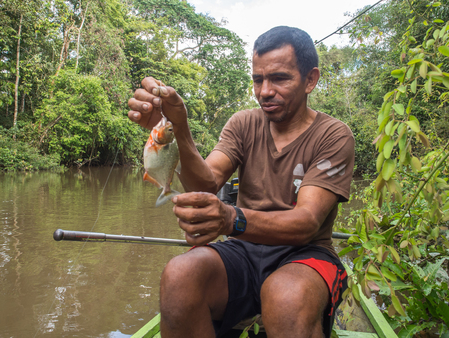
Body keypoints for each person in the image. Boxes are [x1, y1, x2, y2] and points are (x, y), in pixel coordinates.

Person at [128, 26, 355, 338]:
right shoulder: (243, 123)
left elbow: (307, 222)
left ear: (310, 80)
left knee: (285, 296)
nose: (264, 91)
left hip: (305, 253)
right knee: (180, 274)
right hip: (245, 250)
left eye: (279, 78)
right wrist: (178, 128)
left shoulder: (333, 135)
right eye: (257, 79)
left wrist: (230, 218)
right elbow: (205, 183)